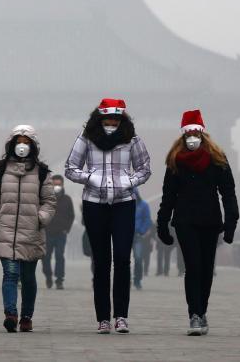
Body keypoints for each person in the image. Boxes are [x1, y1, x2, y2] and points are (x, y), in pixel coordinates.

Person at [65, 98, 152, 334]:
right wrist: (90, 177)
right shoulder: (86, 138)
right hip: (95, 203)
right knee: (101, 262)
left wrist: (130, 181)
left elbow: (144, 168)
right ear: (99, 119)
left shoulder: (132, 139)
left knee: (123, 259)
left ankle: (121, 316)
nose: (111, 124)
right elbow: (70, 168)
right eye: (107, 120)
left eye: (115, 119)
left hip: (124, 203)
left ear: (122, 119)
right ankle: (103, 318)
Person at [156, 110, 239, 336]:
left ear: (202, 134)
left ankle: (202, 311)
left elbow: (228, 192)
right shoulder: (175, 160)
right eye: (188, 134)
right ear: (183, 135)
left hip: (210, 220)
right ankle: (194, 314)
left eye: (195, 133)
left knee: (206, 269)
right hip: (185, 221)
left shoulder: (217, 158)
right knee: (193, 267)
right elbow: (168, 195)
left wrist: (231, 221)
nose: (192, 138)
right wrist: (162, 223)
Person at [0, 125, 56, 333]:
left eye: (26, 142)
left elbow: (49, 201)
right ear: (12, 144)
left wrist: (40, 218)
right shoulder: (0, 170)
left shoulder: (41, 172)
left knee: (28, 277)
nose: (22, 146)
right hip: (6, 230)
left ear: (33, 146)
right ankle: (11, 314)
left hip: (31, 232)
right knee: (10, 273)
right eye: (19, 142)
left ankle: (26, 316)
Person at [41, 174, 75, 289]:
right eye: (54, 184)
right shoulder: (45, 199)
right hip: (47, 232)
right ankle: (48, 276)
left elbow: (71, 215)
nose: (57, 187)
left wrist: (66, 229)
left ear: (62, 185)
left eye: (58, 184)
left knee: (60, 256)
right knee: (45, 257)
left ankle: (59, 280)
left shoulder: (67, 199)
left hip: (61, 233)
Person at [132, 189, 152, 290]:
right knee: (123, 259)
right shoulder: (124, 205)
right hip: (125, 235)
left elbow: (147, 219)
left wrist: (142, 231)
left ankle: (137, 280)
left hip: (137, 235)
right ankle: (125, 280)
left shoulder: (144, 205)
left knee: (138, 259)